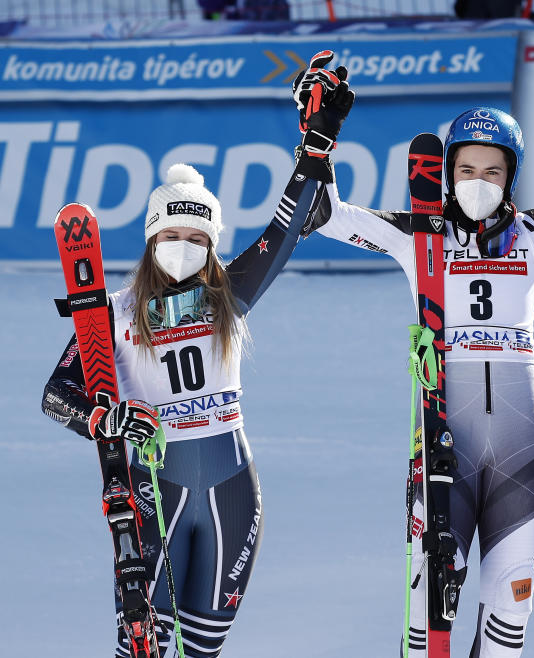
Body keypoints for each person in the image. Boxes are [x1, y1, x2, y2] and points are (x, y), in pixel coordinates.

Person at [289, 50, 534, 656]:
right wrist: (317, 136)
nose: (477, 182)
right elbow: (321, 215)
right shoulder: (419, 236)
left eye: (492, 172)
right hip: (444, 455)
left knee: (505, 633)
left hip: (525, 461)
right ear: (445, 174)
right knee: (424, 635)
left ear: (510, 177)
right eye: (465, 169)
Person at [41, 67, 353, 658]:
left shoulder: (229, 295)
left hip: (234, 495)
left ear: (211, 245)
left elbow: (285, 231)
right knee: (141, 647)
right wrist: (103, 421)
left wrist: (317, 142)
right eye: (169, 233)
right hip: (153, 493)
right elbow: (58, 393)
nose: (181, 245)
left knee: (203, 650)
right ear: (150, 239)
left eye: (196, 235)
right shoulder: (111, 312)